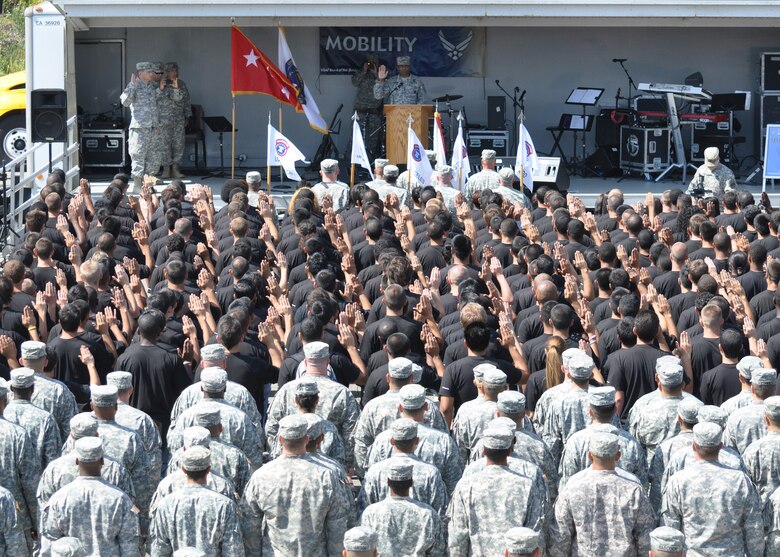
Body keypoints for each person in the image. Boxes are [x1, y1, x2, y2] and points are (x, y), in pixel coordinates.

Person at [239, 414, 348, 556]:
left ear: (280, 440)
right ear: (306, 439)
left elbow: (250, 525)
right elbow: (337, 525)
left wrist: (254, 554)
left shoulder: (261, 476)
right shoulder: (326, 476)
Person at [661, 422, 764, 556]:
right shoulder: (740, 480)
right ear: (721, 446)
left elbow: (671, 527)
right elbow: (753, 526)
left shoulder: (678, 481)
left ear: (693, 446)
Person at [549, 431, 654, 556]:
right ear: (618, 456)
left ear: (590, 455)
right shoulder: (634, 489)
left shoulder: (573, 486)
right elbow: (645, 537)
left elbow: (560, 536)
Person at [447, 426, 546, 556]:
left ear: (483, 451)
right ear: (510, 450)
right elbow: (535, 533)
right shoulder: (526, 485)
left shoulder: (465, 485)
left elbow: (458, 535)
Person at [40, 437, 140, 557]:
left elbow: (49, 543)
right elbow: (129, 545)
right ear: (102, 461)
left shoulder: (59, 499)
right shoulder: (120, 499)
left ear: (77, 461)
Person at [149, 446, 244, 556]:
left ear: (184, 469)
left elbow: (159, 549)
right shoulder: (224, 505)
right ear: (209, 469)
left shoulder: (165, 505)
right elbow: (233, 550)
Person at [359, 458, 446, 556]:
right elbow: (438, 551)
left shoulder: (371, 513)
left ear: (388, 482)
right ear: (411, 483)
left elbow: (365, 546)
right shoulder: (427, 514)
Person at [120, 61, 163, 192]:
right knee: (138, 156)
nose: (151, 74)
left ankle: (147, 184)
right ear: (141, 73)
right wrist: (132, 86)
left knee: (154, 157)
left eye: (152, 72)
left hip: (153, 128)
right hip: (139, 129)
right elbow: (125, 102)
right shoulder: (134, 85)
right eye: (149, 72)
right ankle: (137, 185)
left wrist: (160, 90)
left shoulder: (151, 86)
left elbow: (156, 104)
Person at [158, 62, 191, 180]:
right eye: (173, 71)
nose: (175, 73)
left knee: (179, 144)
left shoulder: (181, 84)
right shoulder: (159, 84)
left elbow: (186, 101)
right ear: (167, 72)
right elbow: (154, 101)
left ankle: (176, 169)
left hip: (178, 120)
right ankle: (166, 169)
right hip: (163, 120)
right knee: (165, 145)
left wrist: (187, 116)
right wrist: (161, 89)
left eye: (176, 70)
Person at [352, 57, 384, 162]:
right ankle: (356, 163)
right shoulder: (361, 73)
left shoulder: (382, 75)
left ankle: (373, 163)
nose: (371, 65)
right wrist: (364, 71)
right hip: (360, 111)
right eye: (369, 63)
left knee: (373, 140)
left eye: (373, 63)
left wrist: (376, 75)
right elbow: (354, 83)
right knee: (357, 137)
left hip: (375, 112)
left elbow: (386, 86)